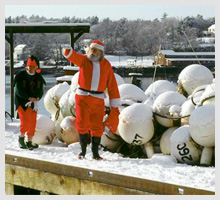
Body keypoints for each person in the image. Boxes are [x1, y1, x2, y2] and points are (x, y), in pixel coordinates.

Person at [63, 40, 121, 160]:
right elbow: (73, 57)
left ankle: (95, 152)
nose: (92, 52)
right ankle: (83, 151)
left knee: (97, 125)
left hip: (98, 99)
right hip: (83, 98)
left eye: (95, 50)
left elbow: (112, 85)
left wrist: (114, 102)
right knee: (82, 123)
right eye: (91, 49)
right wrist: (67, 50)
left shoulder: (106, 65)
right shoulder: (84, 60)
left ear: (101, 52)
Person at [14, 55, 46, 150]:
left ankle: (29, 141)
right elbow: (18, 90)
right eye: (30, 66)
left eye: (34, 67)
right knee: (25, 121)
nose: (32, 69)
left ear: (36, 68)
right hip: (22, 103)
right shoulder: (20, 76)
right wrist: (28, 97)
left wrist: (37, 97)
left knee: (32, 122)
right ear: (27, 66)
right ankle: (21, 138)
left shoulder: (38, 77)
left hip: (33, 104)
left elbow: (40, 90)